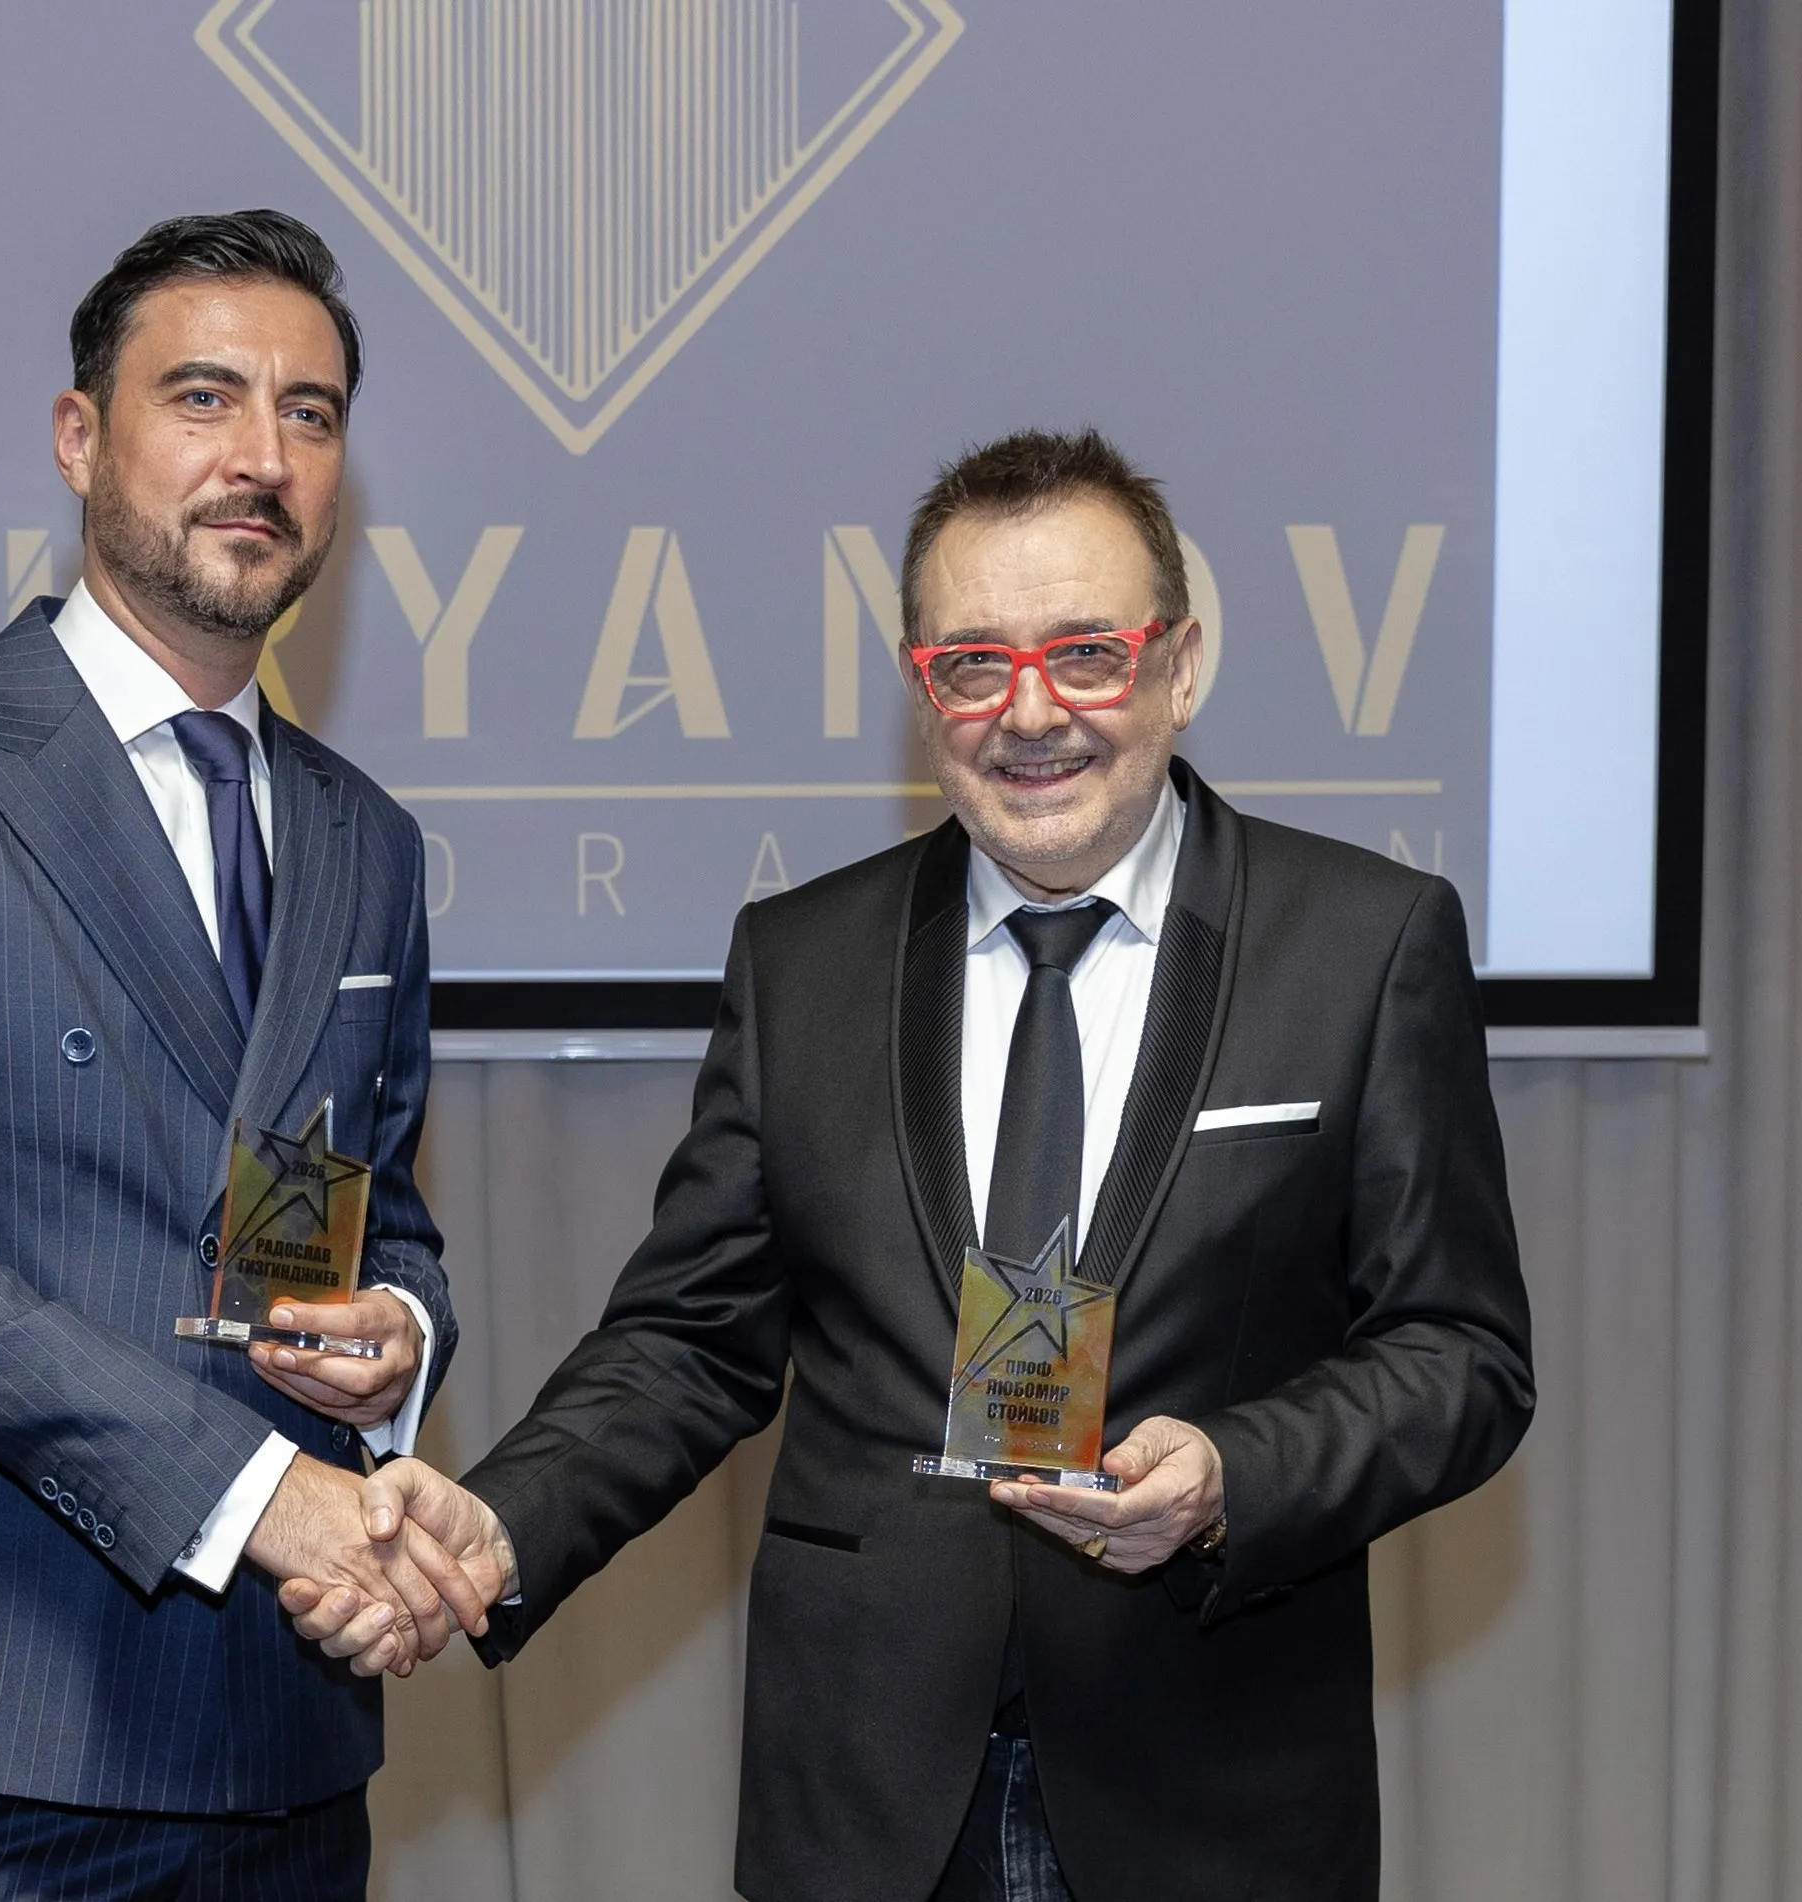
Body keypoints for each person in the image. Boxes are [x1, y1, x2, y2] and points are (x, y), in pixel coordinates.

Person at [285, 428, 1535, 1901]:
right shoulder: (805, 960)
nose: (1032, 713)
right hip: (864, 1801)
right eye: (973, 665)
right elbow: (689, 1340)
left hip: (1214, 1793)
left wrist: (1227, 1477)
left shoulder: (1365, 943)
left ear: (1181, 666)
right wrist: (496, 1526)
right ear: (918, 684)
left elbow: (1461, 1355)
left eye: (1087, 654)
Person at [0, 209, 483, 1901]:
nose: (262, 456)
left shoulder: (365, 839)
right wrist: (260, 1494)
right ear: (81, 437)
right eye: (204, 397)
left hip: (282, 1738)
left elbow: (377, 1207)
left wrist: (399, 1334)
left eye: (309, 413)